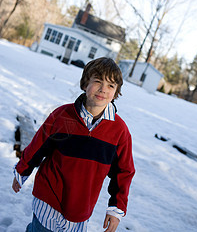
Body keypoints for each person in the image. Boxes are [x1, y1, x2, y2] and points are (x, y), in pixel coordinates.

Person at [12, 57, 135, 232]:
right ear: (85, 84)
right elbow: (38, 146)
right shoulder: (62, 116)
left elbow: (124, 171)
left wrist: (116, 208)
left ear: (116, 93)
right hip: (48, 197)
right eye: (98, 81)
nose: (103, 89)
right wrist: (22, 170)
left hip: (80, 209)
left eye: (110, 85)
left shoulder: (119, 131)